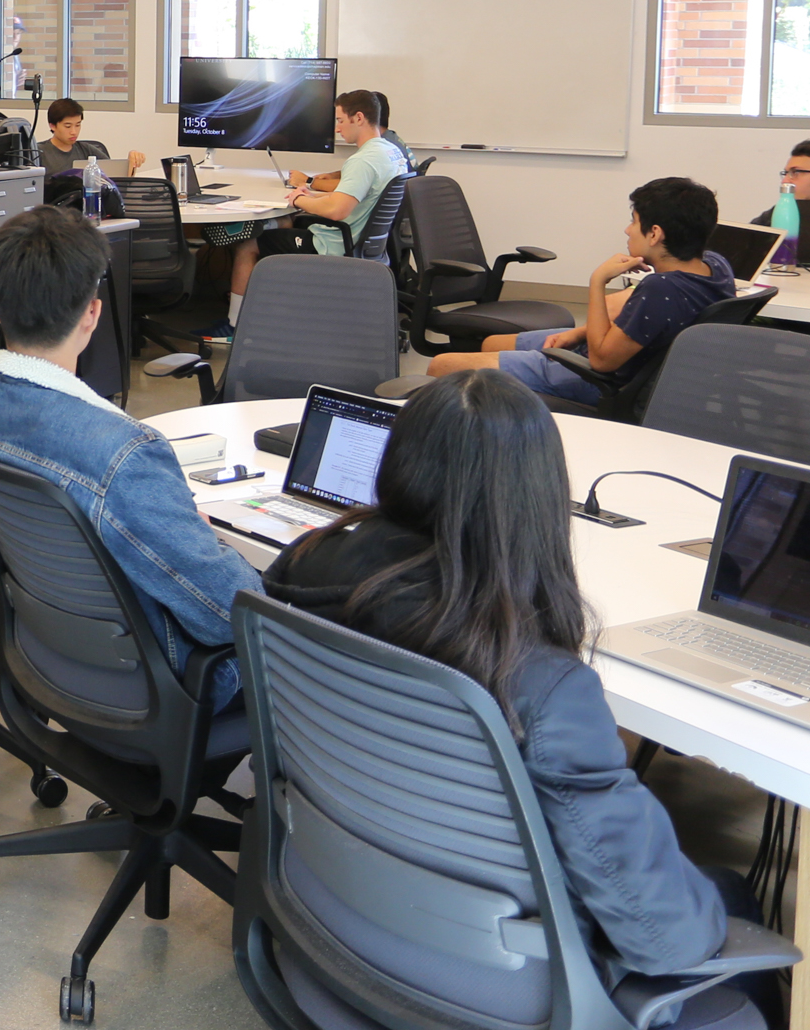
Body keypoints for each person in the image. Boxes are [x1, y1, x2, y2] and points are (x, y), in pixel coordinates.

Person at [263, 372, 739, 971]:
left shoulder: (302, 563)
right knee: (725, 895)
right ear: (537, 496)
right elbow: (667, 940)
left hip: (344, 898)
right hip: (505, 976)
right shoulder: (542, 683)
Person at [0, 208, 260, 706]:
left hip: (48, 649)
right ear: (92, 311)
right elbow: (230, 615)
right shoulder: (127, 454)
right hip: (155, 682)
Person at [428, 177, 732, 405]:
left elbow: (602, 361)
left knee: (441, 365)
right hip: (620, 361)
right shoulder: (715, 266)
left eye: (634, 221)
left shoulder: (659, 289)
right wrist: (577, 333)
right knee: (492, 342)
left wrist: (597, 280)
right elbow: (628, 302)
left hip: (596, 378)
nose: (627, 230)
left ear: (655, 234)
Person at [181, 89, 408, 348]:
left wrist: (299, 200)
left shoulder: (364, 161)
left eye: (340, 120)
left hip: (333, 245)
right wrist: (310, 195)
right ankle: (268, 226)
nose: (337, 129)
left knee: (248, 244)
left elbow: (337, 210)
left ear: (358, 118)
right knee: (286, 223)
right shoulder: (392, 154)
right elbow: (351, 198)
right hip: (364, 244)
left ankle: (234, 326)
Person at [36, 98, 145, 181]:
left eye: (78, 125)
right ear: (52, 126)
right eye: (68, 126)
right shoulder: (38, 152)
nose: (74, 131)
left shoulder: (87, 150)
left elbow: (115, 178)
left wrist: (132, 161)